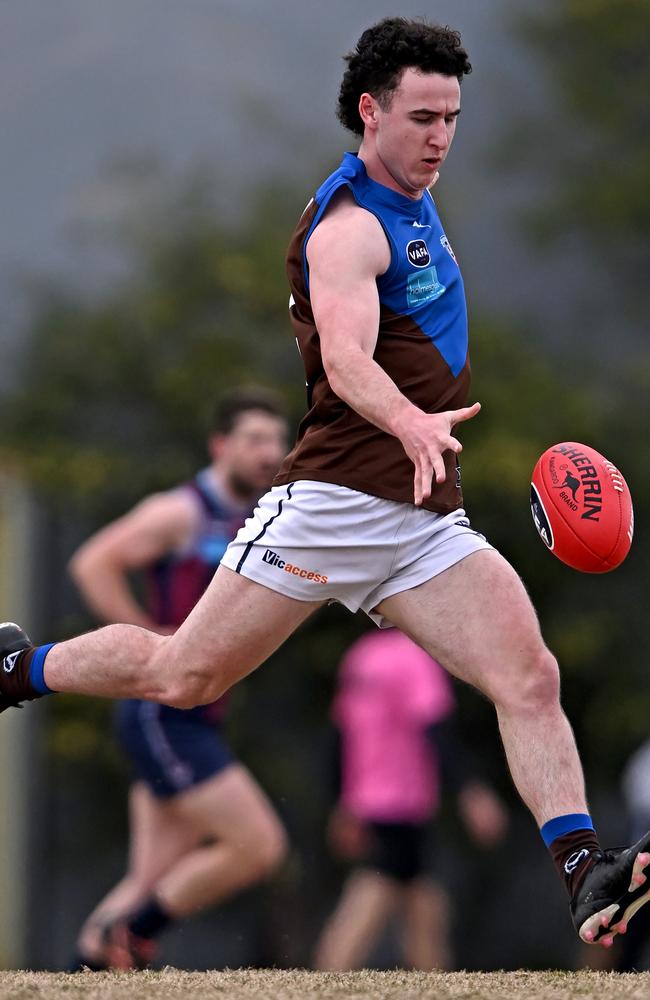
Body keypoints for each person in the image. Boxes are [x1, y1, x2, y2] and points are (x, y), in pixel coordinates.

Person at [2, 16, 649, 950]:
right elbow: (345, 358)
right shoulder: (347, 228)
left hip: (422, 522)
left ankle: (584, 870)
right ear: (368, 110)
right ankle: (16, 667)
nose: (441, 137)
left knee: (529, 674)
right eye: (422, 116)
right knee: (182, 673)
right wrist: (409, 420)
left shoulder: (419, 195)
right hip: (334, 509)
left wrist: (420, 441)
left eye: (453, 117)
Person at [67, 387, 290, 970]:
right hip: (162, 714)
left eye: (276, 440)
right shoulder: (183, 512)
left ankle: (82, 971)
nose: (270, 452)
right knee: (258, 845)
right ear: (220, 445)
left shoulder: (262, 515)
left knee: (152, 876)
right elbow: (93, 562)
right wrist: (146, 637)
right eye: (254, 440)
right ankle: (133, 935)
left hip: (196, 713)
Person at [314, 628, 507, 970]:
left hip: (369, 799)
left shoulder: (362, 655)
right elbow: (436, 731)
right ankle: (325, 979)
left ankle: (435, 982)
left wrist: (342, 803)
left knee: (423, 899)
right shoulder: (415, 659)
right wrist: (470, 792)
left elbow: (339, 735)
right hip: (401, 799)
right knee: (375, 888)